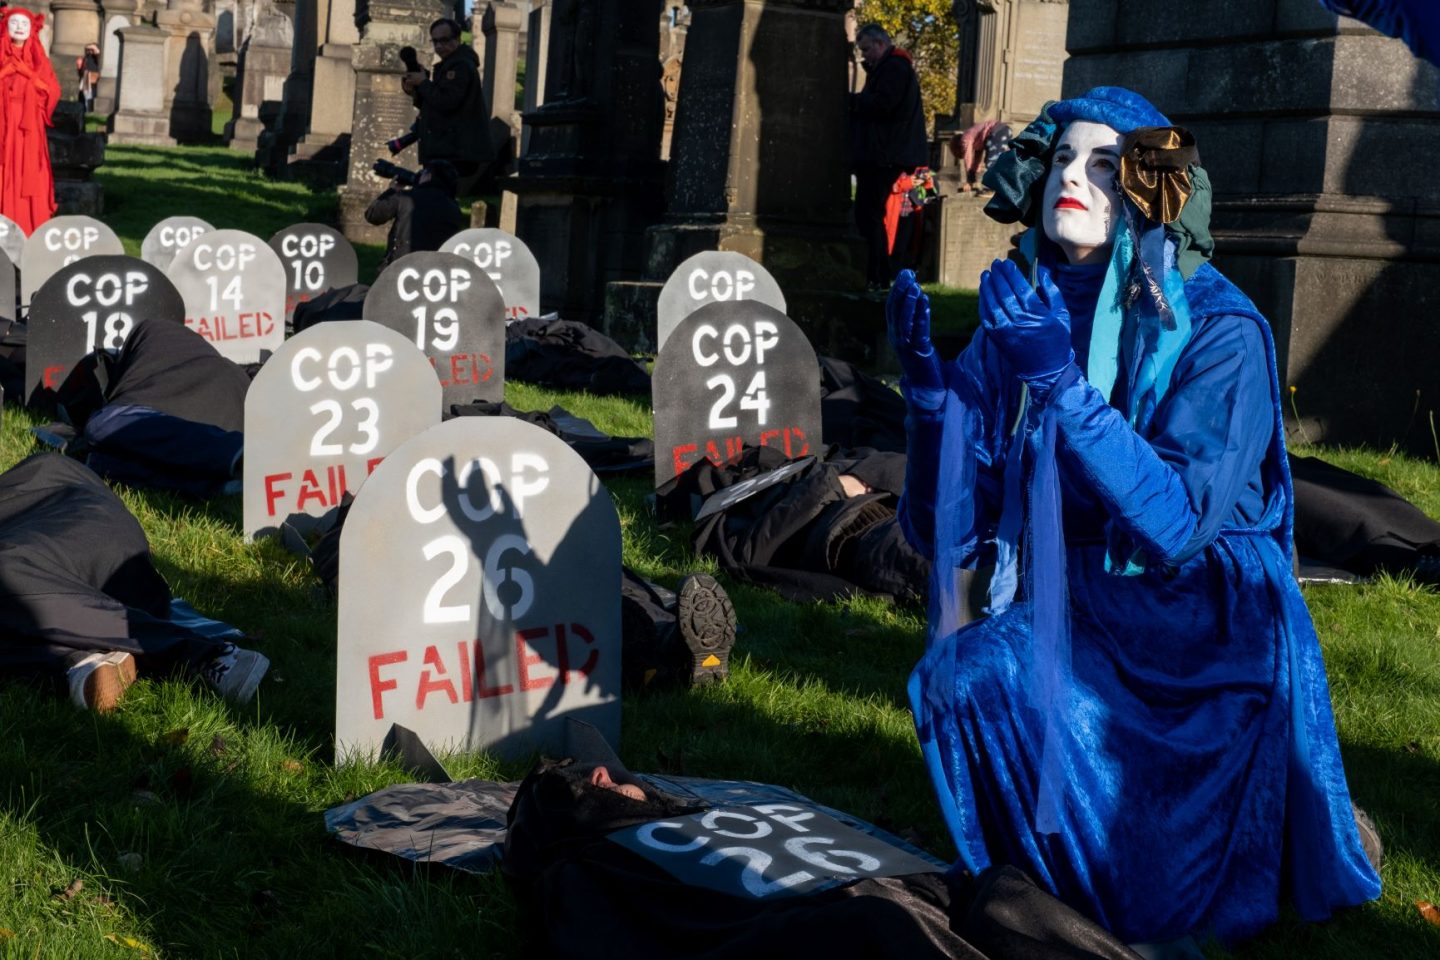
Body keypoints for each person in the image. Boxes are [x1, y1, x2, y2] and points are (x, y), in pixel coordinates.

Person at [888, 86, 1381, 946]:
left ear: (1151, 190)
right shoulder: (1023, 308)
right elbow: (949, 536)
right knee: (960, 678)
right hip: (1077, 602)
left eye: (1106, 164)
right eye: (1064, 157)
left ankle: (1191, 866)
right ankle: (1060, 890)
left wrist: (1063, 389)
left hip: (1201, 623)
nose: (1074, 177)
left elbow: (1179, 525)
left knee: (1155, 900)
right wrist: (934, 406)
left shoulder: (1222, 328)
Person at [850, 23, 928, 293]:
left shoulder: (894, 67)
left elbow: (884, 104)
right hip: (884, 154)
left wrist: (853, 102)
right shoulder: (891, 67)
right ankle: (876, 275)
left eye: (867, 49)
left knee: (870, 215)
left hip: (885, 155)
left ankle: (878, 277)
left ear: (880, 44)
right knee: (869, 214)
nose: (865, 56)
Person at [402, 18, 490, 181]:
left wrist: (423, 82)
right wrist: (415, 91)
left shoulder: (461, 65)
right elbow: (434, 105)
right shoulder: (448, 64)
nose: (439, 46)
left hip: (454, 150)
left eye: (444, 40)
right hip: (445, 147)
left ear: (457, 39)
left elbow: (447, 102)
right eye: (435, 41)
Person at [0, 7, 58, 234]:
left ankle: (27, 224)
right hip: (3, 127)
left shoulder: (37, 59)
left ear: (32, 28)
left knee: (27, 172)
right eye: (14, 22)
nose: (19, 27)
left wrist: (27, 73)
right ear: (5, 25)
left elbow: (51, 90)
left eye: (24, 23)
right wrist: (4, 73)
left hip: (28, 131)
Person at [363, 159, 465, 270]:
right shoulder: (454, 208)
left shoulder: (405, 197)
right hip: (436, 270)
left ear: (428, 176)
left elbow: (373, 215)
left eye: (423, 173)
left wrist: (392, 190)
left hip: (401, 268)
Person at [75, 41, 99, 113]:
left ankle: (89, 110)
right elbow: (81, 69)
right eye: (88, 50)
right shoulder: (86, 57)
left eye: (90, 49)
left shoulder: (95, 56)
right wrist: (79, 66)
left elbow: (96, 50)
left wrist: (88, 46)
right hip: (84, 76)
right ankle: (82, 109)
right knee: (82, 93)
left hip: (91, 77)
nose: (89, 51)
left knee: (90, 94)